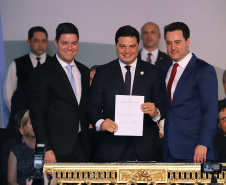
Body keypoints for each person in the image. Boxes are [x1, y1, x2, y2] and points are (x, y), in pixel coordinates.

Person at [88, 25, 165, 162]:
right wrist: (101, 123)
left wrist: (155, 112)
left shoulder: (153, 72)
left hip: (146, 148)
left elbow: (161, 105)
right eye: (123, 46)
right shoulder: (103, 72)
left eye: (132, 46)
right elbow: (92, 106)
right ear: (116, 46)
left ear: (138, 45)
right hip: (111, 147)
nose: (127, 51)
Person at [29, 22, 90, 163]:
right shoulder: (42, 72)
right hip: (55, 148)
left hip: (82, 145)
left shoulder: (84, 71)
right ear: (56, 42)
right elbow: (37, 114)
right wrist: (46, 149)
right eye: (64, 43)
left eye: (74, 43)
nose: (70, 48)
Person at [162, 22, 218, 163]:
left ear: (188, 41)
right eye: (168, 43)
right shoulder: (165, 71)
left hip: (196, 151)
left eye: (177, 42)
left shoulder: (204, 70)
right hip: (169, 152)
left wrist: (203, 143)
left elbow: (210, 110)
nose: (172, 47)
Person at [4, 26, 51, 111]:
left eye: (43, 41)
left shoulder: (55, 65)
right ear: (29, 42)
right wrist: (20, 116)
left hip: (50, 119)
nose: (40, 44)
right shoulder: (16, 65)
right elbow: (8, 94)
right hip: (23, 118)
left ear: (47, 42)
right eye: (36, 41)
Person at [8, 110, 36, 185]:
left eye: (38, 122)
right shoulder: (16, 151)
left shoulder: (49, 150)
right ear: (24, 127)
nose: (35, 125)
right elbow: (11, 181)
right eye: (31, 123)